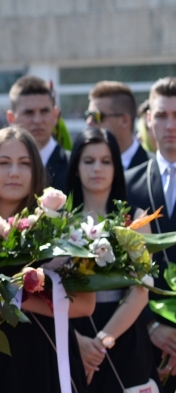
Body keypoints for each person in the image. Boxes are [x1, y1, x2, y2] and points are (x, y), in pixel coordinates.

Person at [0, 126, 95, 393]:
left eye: (24, 164)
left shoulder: (59, 233)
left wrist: (9, 297)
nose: (14, 172)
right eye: (4, 163)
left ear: (36, 171)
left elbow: (85, 304)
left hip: (43, 355)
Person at [65, 128, 155, 391]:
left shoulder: (136, 220)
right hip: (74, 333)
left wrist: (102, 342)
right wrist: (79, 342)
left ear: (117, 166)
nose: (97, 169)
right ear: (76, 167)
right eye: (88, 161)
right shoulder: (60, 222)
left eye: (106, 161)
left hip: (124, 334)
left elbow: (141, 291)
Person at [126, 77, 176, 391]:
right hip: (145, 340)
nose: (170, 125)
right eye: (161, 115)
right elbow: (117, 266)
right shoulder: (128, 184)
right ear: (148, 119)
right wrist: (150, 322)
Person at [7, 75, 69, 191]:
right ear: (11, 118)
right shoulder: (0, 168)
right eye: (29, 112)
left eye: (44, 111)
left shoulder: (74, 167)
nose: (38, 120)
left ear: (55, 115)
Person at [86, 81, 149, 170]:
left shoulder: (153, 168)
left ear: (124, 121)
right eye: (88, 115)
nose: (89, 122)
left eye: (97, 116)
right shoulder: (84, 169)